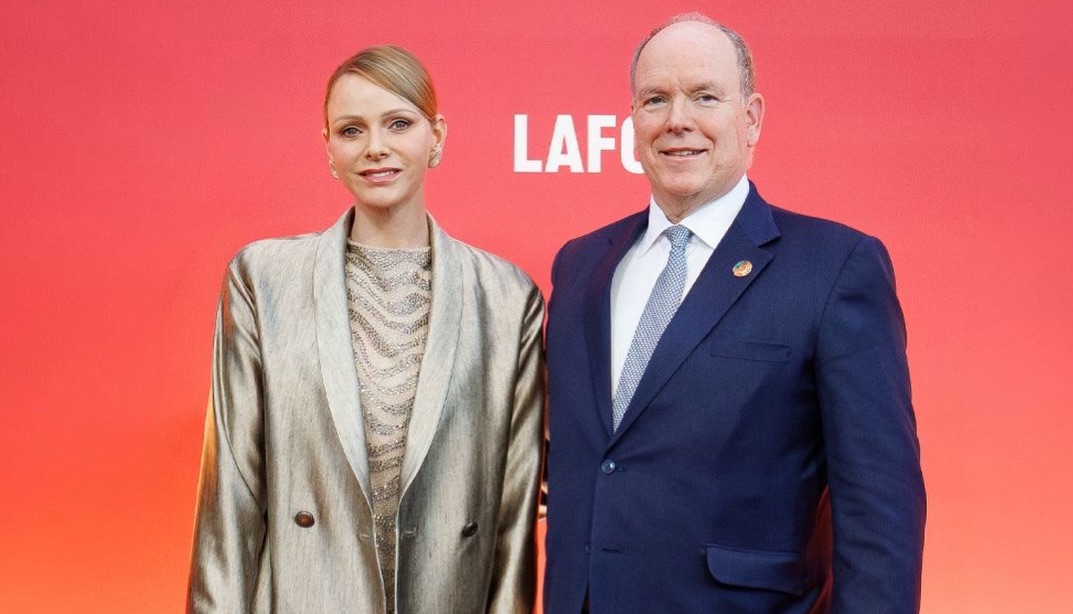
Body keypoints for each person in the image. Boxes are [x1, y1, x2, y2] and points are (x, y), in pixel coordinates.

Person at [543, 14, 926, 613]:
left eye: (704, 96)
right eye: (655, 99)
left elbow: (881, 507)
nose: (677, 120)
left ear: (751, 118)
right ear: (633, 121)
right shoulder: (580, 265)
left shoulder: (835, 267)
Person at [187, 45, 544, 613]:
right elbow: (231, 496)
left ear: (437, 136)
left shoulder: (506, 296)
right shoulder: (263, 280)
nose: (375, 146)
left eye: (398, 123)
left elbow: (512, 511)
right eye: (351, 130)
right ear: (328, 148)